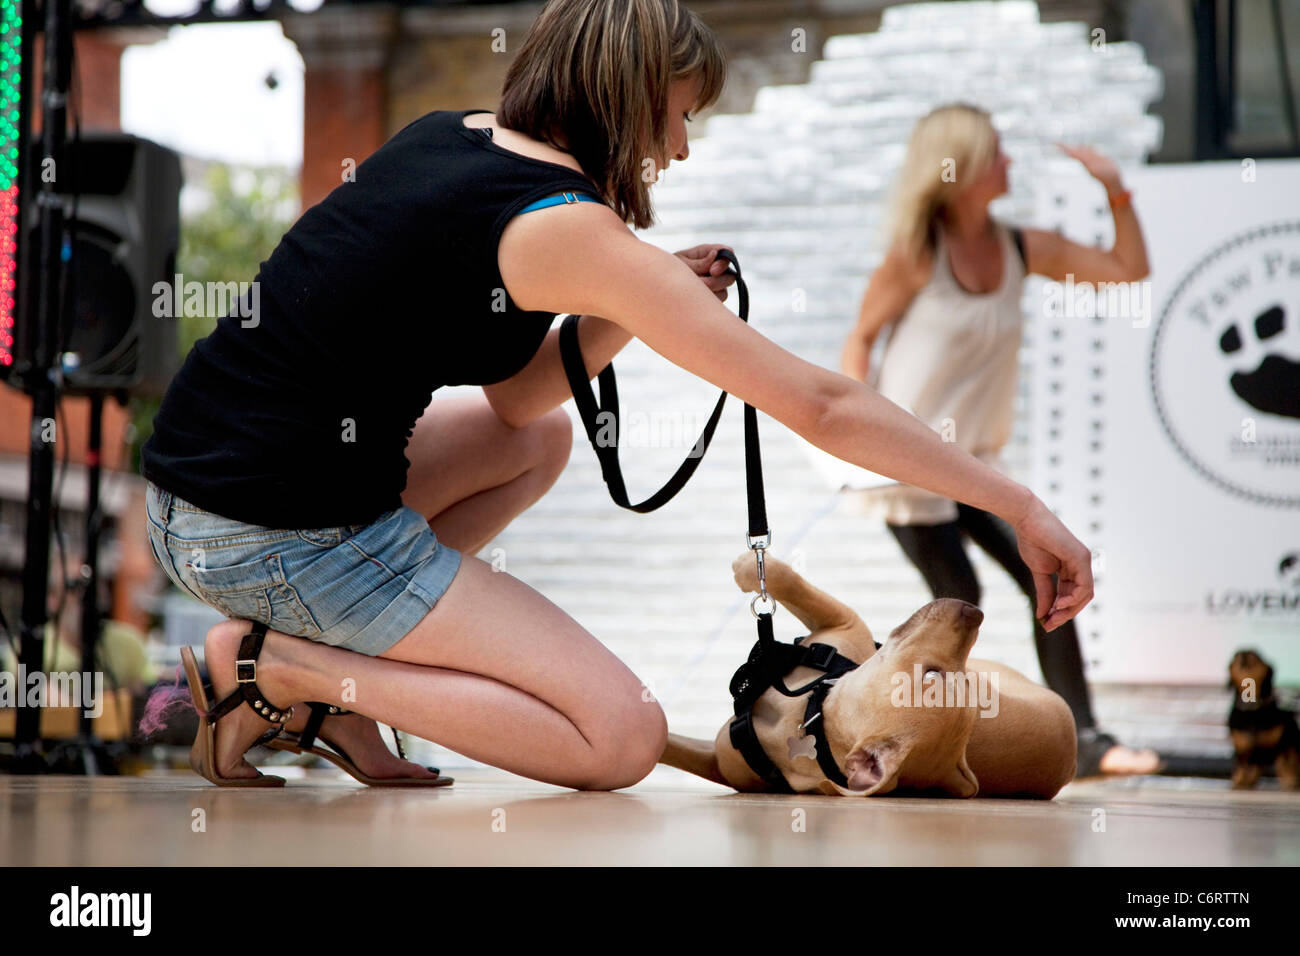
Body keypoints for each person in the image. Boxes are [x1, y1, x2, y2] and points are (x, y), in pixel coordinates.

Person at [142, 1, 1094, 791]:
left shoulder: (455, 140)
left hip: (202, 490)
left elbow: (516, 403)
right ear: (628, 96)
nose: (678, 149)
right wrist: (1016, 504)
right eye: (679, 115)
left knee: (542, 442)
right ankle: (284, 671)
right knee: (621, 736)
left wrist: (630, 302)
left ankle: (320, 679)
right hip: (274, 534)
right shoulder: (570, 229)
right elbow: (823, 406)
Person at [840, 103, 1159, 777]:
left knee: (1046, 576)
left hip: (976, 463)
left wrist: (1115, 189)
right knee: (958, 598)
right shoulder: (915, 256)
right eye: (997, 153)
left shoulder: (1020, 247)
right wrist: (858, 427)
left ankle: (1089, 743)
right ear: (958, 170)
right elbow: (861, 339)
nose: (1010, 162)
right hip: (909, 469)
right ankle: (919, 734)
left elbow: (1127, 269)